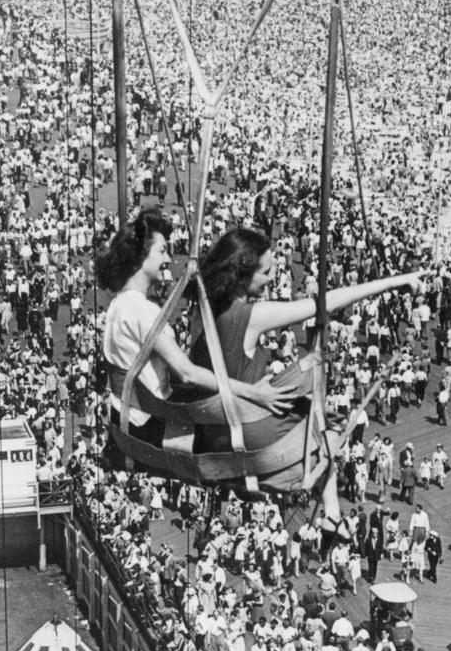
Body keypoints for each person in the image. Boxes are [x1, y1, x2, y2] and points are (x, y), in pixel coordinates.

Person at [189, 226, 422, 515]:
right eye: (265, 272)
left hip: (215, 431)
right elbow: (324, 304)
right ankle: (333, 513)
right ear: (241, 274)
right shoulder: (248, 316)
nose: (272, 277)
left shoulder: (203, 307)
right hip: (247, 432)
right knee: (326, 414)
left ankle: (332, 512)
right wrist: (392, 283)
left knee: (313, 400)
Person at [98, 209, 295, 450]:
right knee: (251, 423)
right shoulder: (140, 311)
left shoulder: (119, 305)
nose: (168, 259)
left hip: (135, 416)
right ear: (140, 258)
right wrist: (253, 393)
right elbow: (187, 373)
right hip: (150, 424)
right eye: (161, 251)